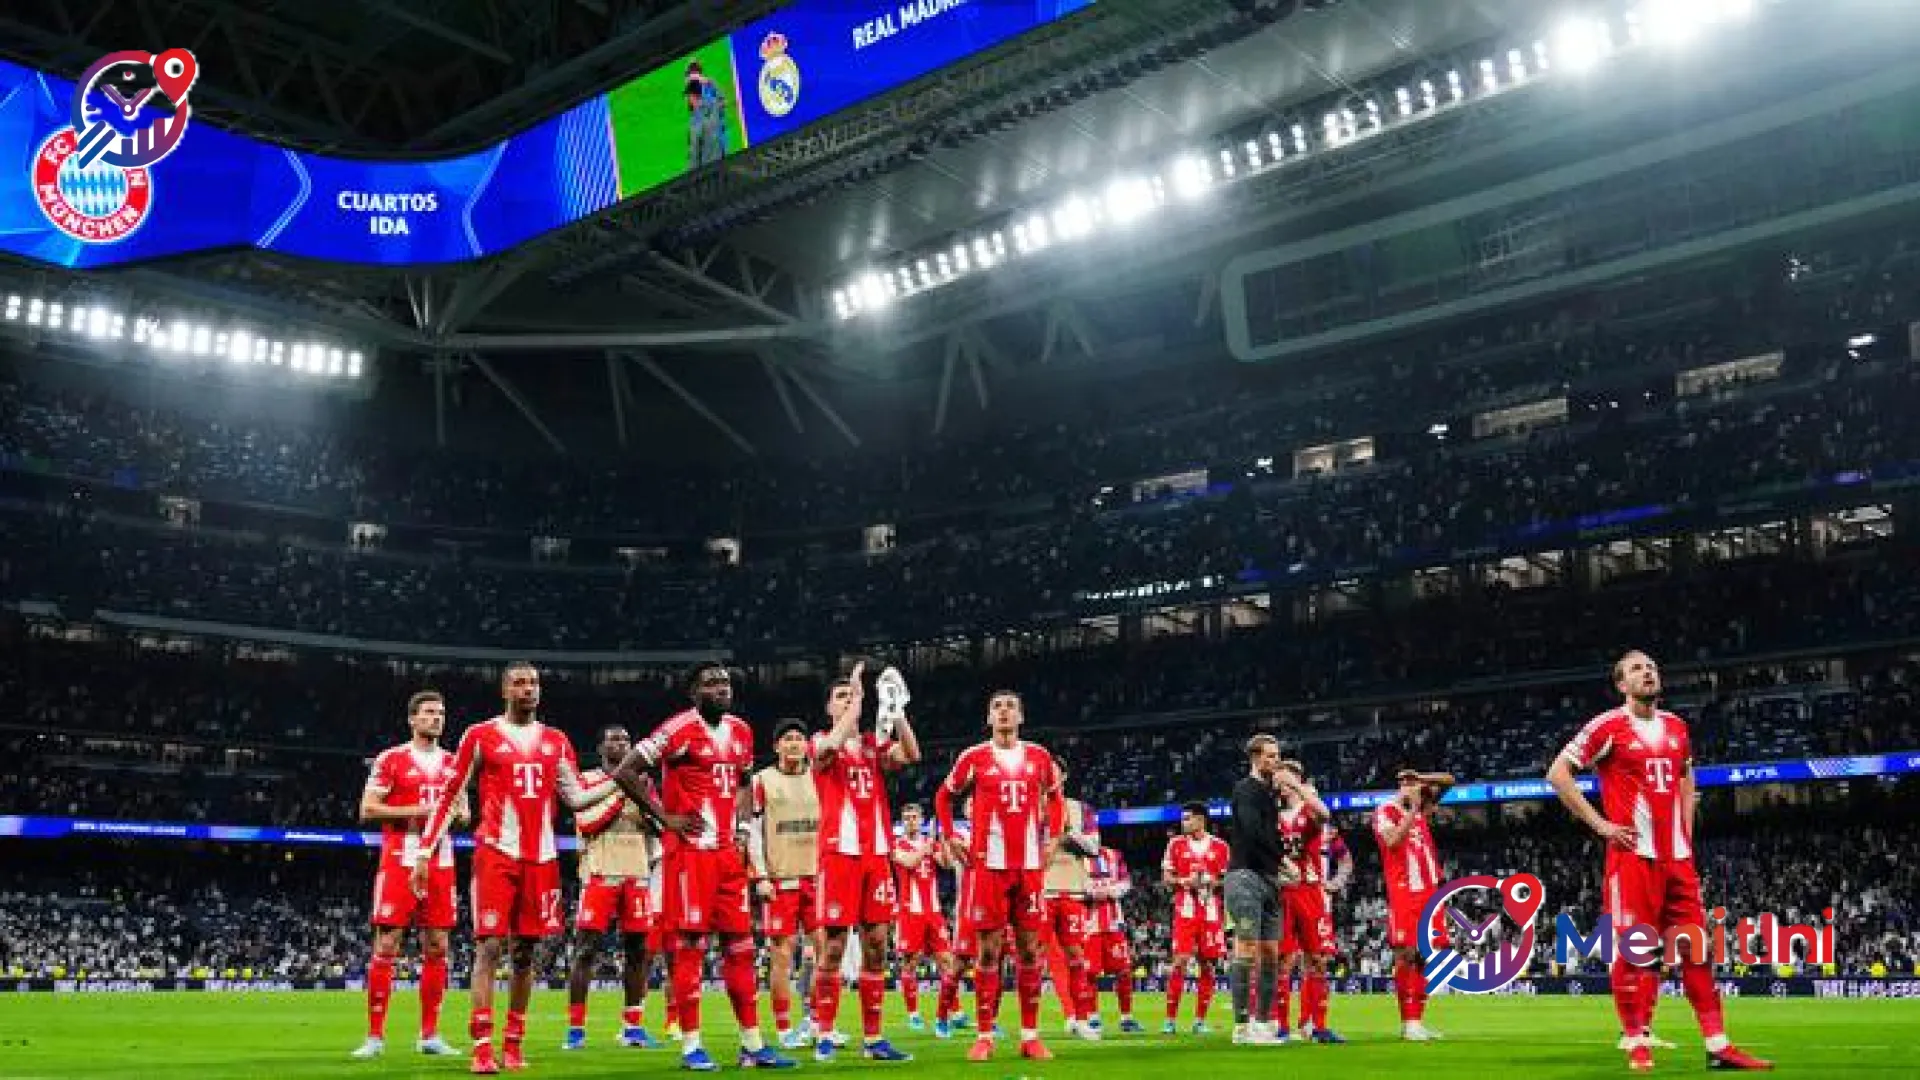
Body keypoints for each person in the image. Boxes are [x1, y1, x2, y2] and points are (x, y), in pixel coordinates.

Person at [1546, 650, 1773, 1072]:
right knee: (1636, 951)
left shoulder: (1676, 727)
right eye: (1637, 669)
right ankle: (1636, 1041)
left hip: (1677, 859)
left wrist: (1685, 829)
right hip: (1634, 857)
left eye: (1651, 667)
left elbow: (1687, 777)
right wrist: (1601, 825)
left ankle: (1718, 1045)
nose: (1647, 673)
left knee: (1697, 950)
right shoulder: (1608, 726)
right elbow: (1558, 773)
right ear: (1621, 684)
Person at [414, 662, 621, 1075]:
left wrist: (620, 780)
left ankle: (513, 1043)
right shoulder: (480, 735)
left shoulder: (556, 741)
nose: (528, 689)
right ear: (505, 691)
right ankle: (481, 1045)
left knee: (526, 953)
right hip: (496, 852)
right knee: (489, 947)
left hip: (541, 858)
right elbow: (450, 794)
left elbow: (577, 797)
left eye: (534, 683)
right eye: (520, 683)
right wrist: (424, 851)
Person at [612, 662, 796, 1072]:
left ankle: (752, 1044)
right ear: (693, 693)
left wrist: (743, 827)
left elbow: (745, 781)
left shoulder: (741, 731)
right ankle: (691, 1045)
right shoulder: (678, 729)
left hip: (728, 855)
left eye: (725, 682)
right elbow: (626, 771)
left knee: (741, 948)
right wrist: (665, 817)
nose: (721, 688)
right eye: (711, 684)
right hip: (690, 854)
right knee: (690, 949)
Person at [935, 689, 1064, 1063]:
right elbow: (943, 797)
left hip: (1029, 867)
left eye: (1010, 707)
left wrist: (1053, 839)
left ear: (1021, 716)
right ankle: (984, 1036)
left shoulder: (1039, 757)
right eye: (997, 707)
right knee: (988, 952)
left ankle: (1030, 1036)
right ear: (988, 718)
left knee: (1029, 950)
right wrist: (950, 836)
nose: (1004, 712)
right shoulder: (973, 757)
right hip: (987, 867)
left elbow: (1056, 798)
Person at [809, 663, 920, 1063]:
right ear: (830, 707)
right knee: (834, 947)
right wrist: (857, 698)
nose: (848, 701)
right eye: (840, 697)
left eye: (850, 695)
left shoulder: (873, 745)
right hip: (839, 854)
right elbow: (828, 749)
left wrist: (897, 710)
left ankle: (873, 1039)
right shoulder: (820, 742)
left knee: (876, 946)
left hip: (876, 855)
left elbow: (912, 753)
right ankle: (824, 1032)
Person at [351, 690, 467, 1060]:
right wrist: (422, 810)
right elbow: (368, 809)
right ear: (412, 719)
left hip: (441, 861)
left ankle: (429, 1035)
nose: (436, 718)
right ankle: (374, 1037)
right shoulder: (391, 759)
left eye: (441, 713)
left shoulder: (454, 763)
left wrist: (453, 815)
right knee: (387, 944)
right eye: (429, 712)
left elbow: (464, 814)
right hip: (400, 858)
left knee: (438, 946)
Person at [565, 724, 678, 1052]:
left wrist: (647, 804)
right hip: (600, 873)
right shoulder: (587, 780)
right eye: (614, 739)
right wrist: (621, 790)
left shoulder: (644, 783)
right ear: (601, 748)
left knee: (638, 952)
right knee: (586, 950)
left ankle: (633, 1027)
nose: (622, 744)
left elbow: (660, 826)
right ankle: (576, 1030)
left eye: (627, 740)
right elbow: (587, 822)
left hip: (637, 873)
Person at [747, 717, 820, 1051]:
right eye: (787, 738)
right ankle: (784, 1027)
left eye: (799, 738)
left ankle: (818, 1022)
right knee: (782, 955)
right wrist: (760, 876)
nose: (794, 743)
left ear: (807, 745)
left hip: (817, 877)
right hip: (781, 879)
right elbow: (752, 832)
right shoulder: (762, 780)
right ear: (777, 746)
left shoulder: (819, 776)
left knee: (827, 952)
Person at [1372, 767, 1454, 1041]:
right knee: (1406, 953)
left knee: (1425, 955)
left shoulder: (1422, 807)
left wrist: (1423, 779)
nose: (1413, 788)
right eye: (1407, 783)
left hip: (1430, 892)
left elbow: (1449, 781)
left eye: (1414, 783)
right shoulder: (1385, 810)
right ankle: (1407, 1022)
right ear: (1399, 786)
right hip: (1405, 891)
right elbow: (1392, 840)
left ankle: (1417, 1020)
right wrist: (1413, 809)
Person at [1223, 733, 1288, 1046]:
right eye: (1271, 756)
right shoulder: (1246, 789)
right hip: (1245, 877)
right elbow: (1251, 831)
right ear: (1255, 757)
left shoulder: (1269, 794)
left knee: (1271, 954)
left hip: (1269, 879)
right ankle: (1241, 1026)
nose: (1276, 761)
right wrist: (1282, 859)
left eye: (1277, 756)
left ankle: (1261, 1023)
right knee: (1246, 948)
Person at [1273, 758, 1342, 1044]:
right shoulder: (1271, 814)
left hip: (1310, 891)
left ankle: (1318, 1026)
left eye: (1285, 778)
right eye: (1278, 779)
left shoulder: (1308, 809)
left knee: (1317, 959)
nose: (1281, 783)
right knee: (1283, 960)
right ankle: (1281, 1026)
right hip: (1281, 892)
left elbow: (1325, 815)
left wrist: (1301, 789)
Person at [1162, 800, 1229, 1035]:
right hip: (1186, 910)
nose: (1183, 822)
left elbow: (1227, 879)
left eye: (1187, 818)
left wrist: (1212, 881)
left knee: (1208, 964)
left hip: (1210, 911)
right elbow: (1167, 878)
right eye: (1183, 818)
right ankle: (1170, 1020)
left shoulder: (1220, 846)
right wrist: (1184, 881)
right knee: (1180, 961)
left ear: (1201, 820)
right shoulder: (1175, 844)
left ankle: (1200, 1021)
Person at [892, 802, 959, 1037]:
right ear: (902, 822)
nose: (911, 821)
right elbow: (909, 862)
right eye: (907, 817)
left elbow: (947, 864)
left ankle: (951, 1013)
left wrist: (943, 842)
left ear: (921, 820)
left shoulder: (930, 843)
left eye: (915, 817)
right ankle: (914, 1015)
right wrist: (927, 847)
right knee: (910, 962)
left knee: (947, 961)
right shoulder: (896, 844)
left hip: (933, 911)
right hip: (910, 911)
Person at [1042, 785, 1101, 1041]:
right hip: (1039, 890)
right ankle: (1028, 1030)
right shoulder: (1027, 804)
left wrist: (1066, 833)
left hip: (1073, 891)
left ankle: (1081, 1019)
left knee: (1076, 957)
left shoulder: (1081, 810)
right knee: (1032, 958)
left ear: (1063, 777)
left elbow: (1094, 847)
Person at [1083, 843, 1142, 1034]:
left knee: (1124, 970)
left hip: (1114, 922)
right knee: (1089, 973)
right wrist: (1091, 892)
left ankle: (1126, 1018)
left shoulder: (1113, 854)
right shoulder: (1076, 858)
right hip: (1088, 924)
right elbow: (1072, 886)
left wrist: (1110, 891)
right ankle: (1092, 1017)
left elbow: (1126, 882)